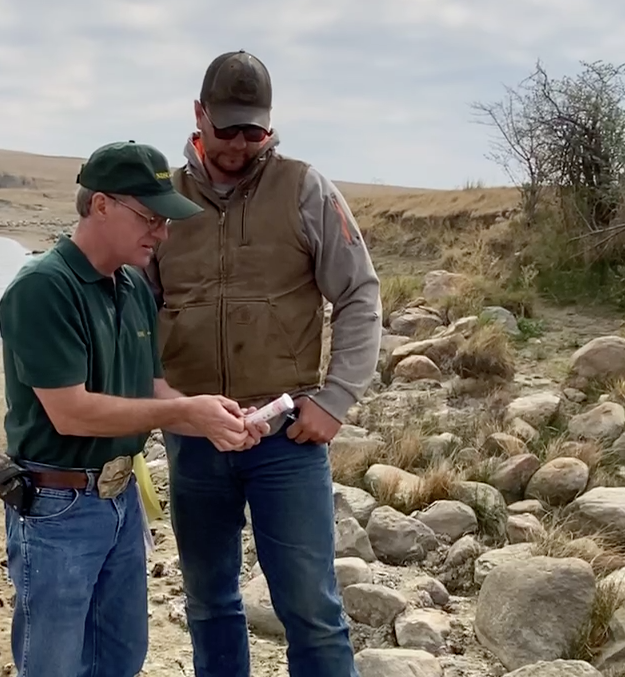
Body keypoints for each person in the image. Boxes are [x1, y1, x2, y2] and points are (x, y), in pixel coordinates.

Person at [143, 50, 383, 677]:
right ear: (199, 116)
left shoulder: (306, 188)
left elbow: (359, 293)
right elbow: (133, 316)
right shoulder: (163, 201)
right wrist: (163, 403)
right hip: (194, 437)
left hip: (288, 436)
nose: (242, 144)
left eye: (255, 130)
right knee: (209, 603)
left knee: (311, 609)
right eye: (228, 129)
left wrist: (334, 401)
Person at [0, 139, 270, 677]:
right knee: (52, 665)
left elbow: (151, 390)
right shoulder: (43, 289)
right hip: (57, 508)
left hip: (120, 504)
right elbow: (71, 413)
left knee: (120, 658)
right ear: (100, 205)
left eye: (165, 220)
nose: (162, 233)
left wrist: (208, 414)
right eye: (150, 217)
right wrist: (182, 415)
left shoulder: (132, 288)